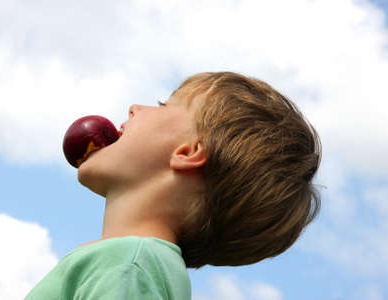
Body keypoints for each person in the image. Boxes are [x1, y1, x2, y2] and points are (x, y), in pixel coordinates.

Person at [25, 71, 321, 299]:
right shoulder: (144, 267)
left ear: (188, 152)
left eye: (163, 105)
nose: (134, 108)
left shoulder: (128, 265)